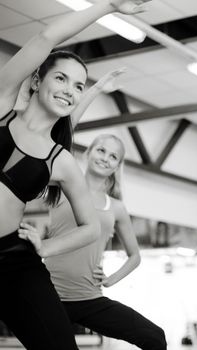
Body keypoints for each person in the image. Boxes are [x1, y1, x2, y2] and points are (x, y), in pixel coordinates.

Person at [0, 1, 150, 348]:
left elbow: (91, 227)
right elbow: (47, 35)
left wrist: (46, 246)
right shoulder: (4, 104)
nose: (70, 89)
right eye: (62, 78)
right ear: (37, 80)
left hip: (12, 262)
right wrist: (109, 6)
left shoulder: (60, 160)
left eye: (80, 86)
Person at [34, 134, 166, 350]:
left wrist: (112, 279)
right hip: (51, 295)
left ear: (117, 166)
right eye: (101, 150)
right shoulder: (61, 186)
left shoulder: (116, 207)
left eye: (113, 156)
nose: (105, 158)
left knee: (154, 337)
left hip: (89, 297)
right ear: (88, 153)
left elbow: (135, 255)